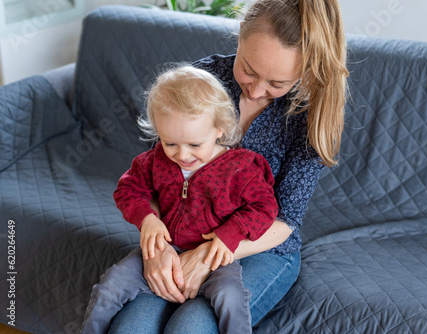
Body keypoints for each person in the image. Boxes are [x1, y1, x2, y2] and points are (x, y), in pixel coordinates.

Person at [109, 0, 349, 332]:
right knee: (130, 327)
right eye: (248, 69)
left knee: (190, 326)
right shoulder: (201, 80)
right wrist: (156, 247)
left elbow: (286, 220)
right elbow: (156, 174)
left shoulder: (310, 115)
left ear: (304, 71)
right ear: (239, 37)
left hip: (262, 248)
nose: (255, 90)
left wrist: (208, 255)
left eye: (277, 84)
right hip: (181, 238)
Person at [81, 66, 278, 334]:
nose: (182, 155)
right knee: (108, 289)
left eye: (195, 145)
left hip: (216, 259)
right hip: (164, 251)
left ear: (220, 129)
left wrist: (230, 235)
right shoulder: (154, 162)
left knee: (231, 299)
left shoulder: (241, 168)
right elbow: (128, 189)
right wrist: (147, 219)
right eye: (170, 143)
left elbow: (265, 207)